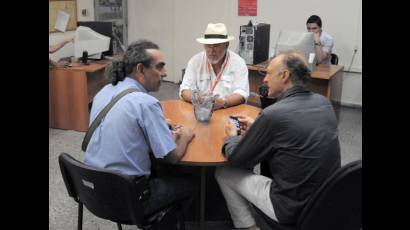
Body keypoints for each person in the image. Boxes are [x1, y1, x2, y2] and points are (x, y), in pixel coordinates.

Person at [215, 50, 341, 229]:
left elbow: (236, 158)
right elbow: (293, 135)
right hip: (323, 202)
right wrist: (258, 129)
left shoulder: (273, 114)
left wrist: (232, 136)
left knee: (224, 173)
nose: (264, 79)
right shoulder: (323, 103)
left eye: (268, 73)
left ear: (285, 75)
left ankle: (249, 227)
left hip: (291, 208)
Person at [83, 39, 198, 225]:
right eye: (159, 67)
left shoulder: (104, 91)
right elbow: (172, 156)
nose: (165, 73)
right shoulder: (146, 103)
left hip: (92, 190)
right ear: (140, 70)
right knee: (192, 184)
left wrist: (156, 125)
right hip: (127, 198)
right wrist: (185, 135)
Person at [179, 23, 249, 110]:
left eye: (216, 46)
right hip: (201, 111)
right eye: (208, 46)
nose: (212, 51)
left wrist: (223, 102)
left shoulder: (238, 63)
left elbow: (241, 93)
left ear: (227, 45)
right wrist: (197, 98)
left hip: (227, 110)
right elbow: (184, 90)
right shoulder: (195, 61)